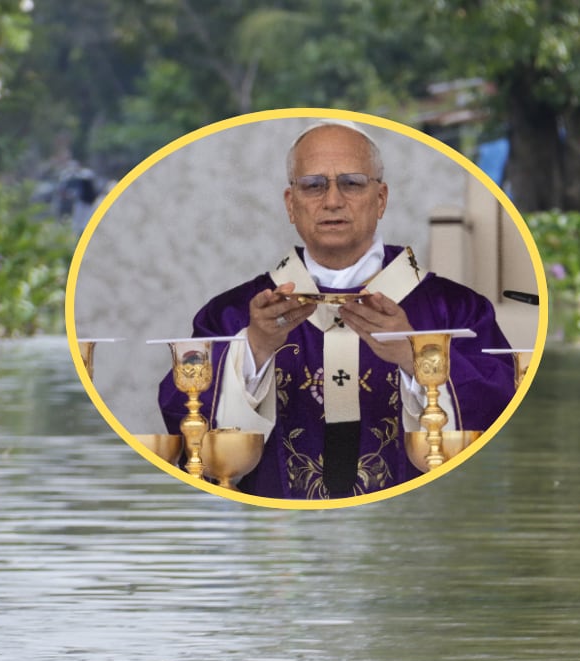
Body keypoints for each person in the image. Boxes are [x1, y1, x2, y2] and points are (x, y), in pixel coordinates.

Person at [159, 120, 516, 500]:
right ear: (290, 204)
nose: (332, 201)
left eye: (352, 183)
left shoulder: (454, 311)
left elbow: (501, 407)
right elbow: (183, 425)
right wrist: (255, 351)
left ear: (380, 199)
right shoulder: (232, 315)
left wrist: (416, 358)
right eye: (313, 185)